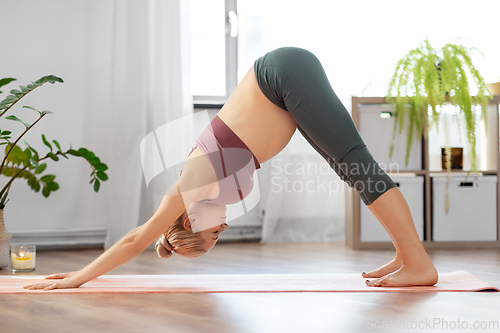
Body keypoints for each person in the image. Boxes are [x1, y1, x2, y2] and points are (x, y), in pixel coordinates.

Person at [24, 47, 438, 290]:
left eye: (210, 233)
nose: (222, 229)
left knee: (358, 166)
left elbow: (135, 239)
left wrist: (77, 278)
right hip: (284, 90)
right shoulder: (206, 194)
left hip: (282, 78)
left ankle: (419, 264)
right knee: (351, 170)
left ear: (187, 216)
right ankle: (406, 255)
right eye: (218, 239)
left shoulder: (193, 182)